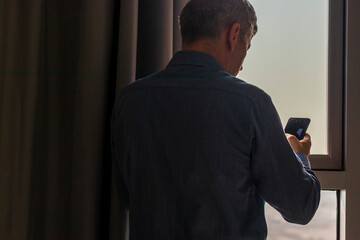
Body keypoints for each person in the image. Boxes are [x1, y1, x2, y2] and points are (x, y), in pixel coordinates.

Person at [111, 0, 321, 239]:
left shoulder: (130, 101)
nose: (241, 66)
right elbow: (301, 206)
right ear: (234, 34)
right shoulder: (251, 104)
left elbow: (129, 197)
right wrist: (299, 155)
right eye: (247, 45)